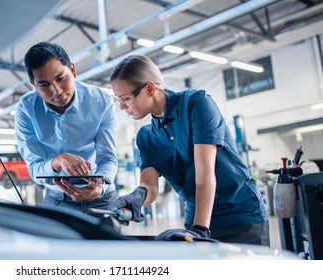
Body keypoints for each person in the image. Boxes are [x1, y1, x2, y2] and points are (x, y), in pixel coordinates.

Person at [108, 54, 270, 246]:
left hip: (240, 218)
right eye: (119, 99)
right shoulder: (146, 137)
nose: (121, 106)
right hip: (195, 220)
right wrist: (136, 197)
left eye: (126, 98)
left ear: (150, 88)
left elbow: (204, 173)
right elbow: (150, 187)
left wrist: (200, 230)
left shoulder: (196, 104)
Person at [15, 42, 119, 221]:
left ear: (73, 70)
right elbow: (35, 168)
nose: (56, 90)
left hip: (101, 198)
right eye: (44, 85)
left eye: (61, 78)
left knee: (109, 249)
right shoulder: (26, 110)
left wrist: (99, 187)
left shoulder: (102, 102)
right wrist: (57, 162)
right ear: (34, 84)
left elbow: (108, 158)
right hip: (57, 201)